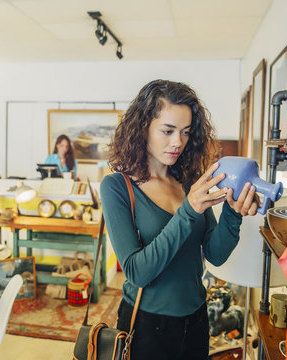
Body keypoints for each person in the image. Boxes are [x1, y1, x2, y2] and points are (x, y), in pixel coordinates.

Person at [100, 79, 259, 360]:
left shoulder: (189, 181)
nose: (178, 142)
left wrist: (234, 212)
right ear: (143, 127)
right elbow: (137, 272)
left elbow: (215, 254)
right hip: (147, 325)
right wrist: (188, 211)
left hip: (196, 319)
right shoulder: (117, 187)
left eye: (185, 132)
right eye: (168, 130)